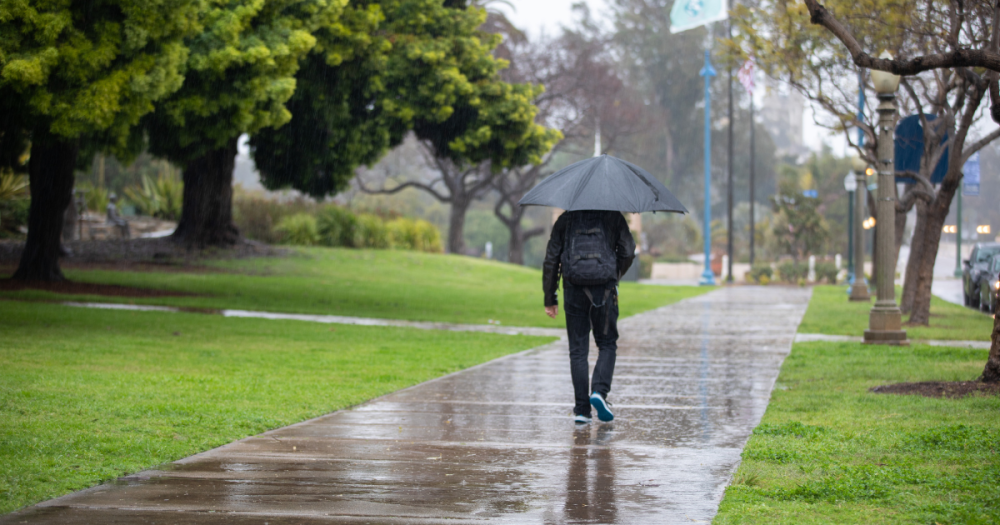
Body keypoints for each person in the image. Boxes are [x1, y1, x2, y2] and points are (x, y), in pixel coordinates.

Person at [543, 210, 636, 424]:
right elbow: (628, 251)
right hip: (604, 289)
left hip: (573, 288)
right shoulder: (613, 216)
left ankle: (582, 410)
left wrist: (550, 297)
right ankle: (599, 392)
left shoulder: (566, 219)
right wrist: (614, 273)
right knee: (607, 344)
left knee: (578, 350)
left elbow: (551, 259)